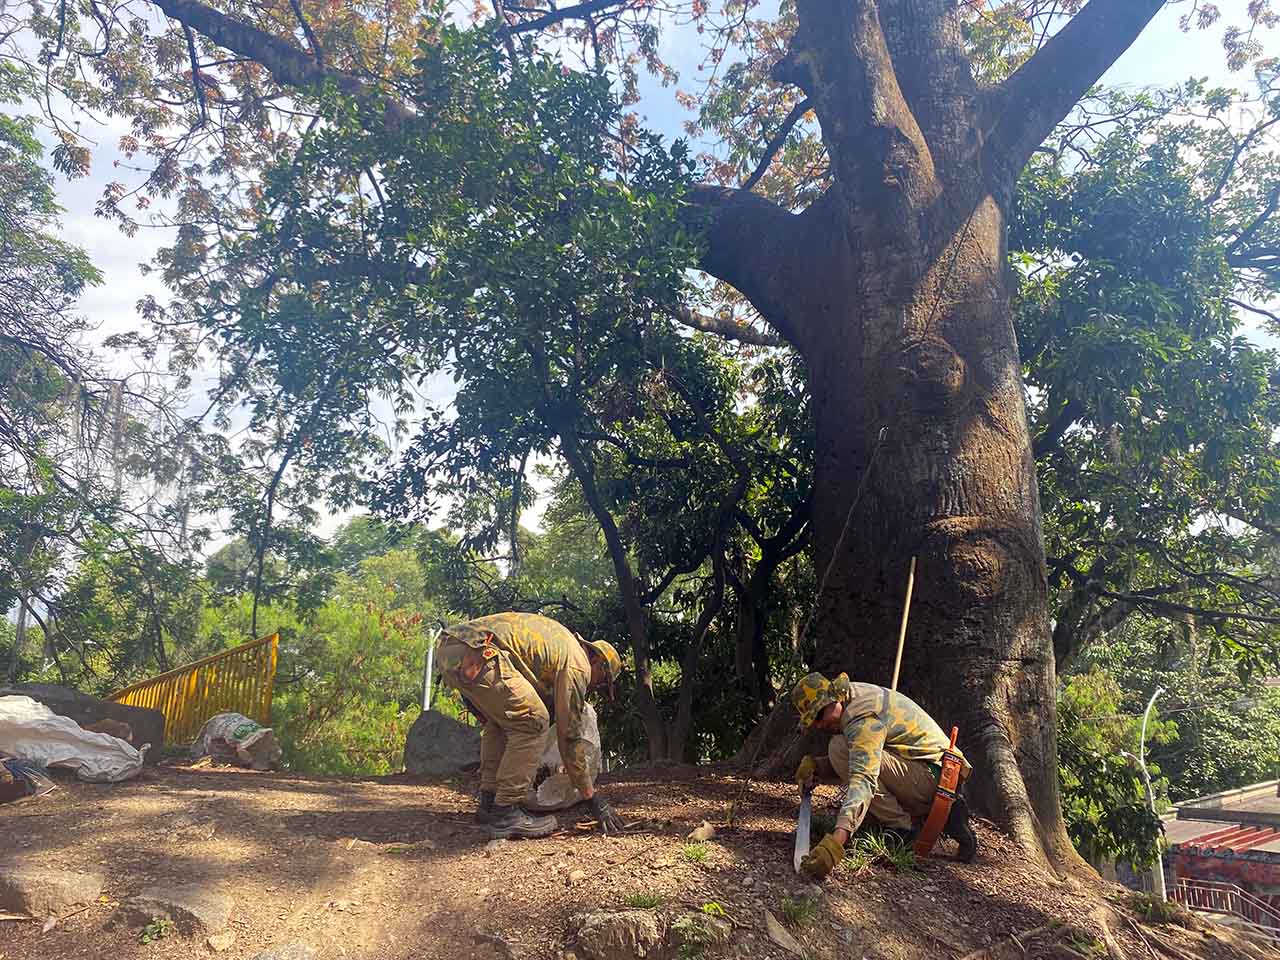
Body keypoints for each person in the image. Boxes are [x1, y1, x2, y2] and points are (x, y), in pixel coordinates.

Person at [436, 612, 625, 839]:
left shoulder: (562, 644)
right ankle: (505, 812)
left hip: (452, 649)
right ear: (597, 662)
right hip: (477, 653)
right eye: (602, 682)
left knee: (503, 723)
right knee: (533, 721)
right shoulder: (579, 664)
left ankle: (489, 803)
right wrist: (591, 797)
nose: (595, 687)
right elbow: (569, 735)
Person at [790, 671, 978, 879]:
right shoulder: (852, 697)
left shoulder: (860, 716)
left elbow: (863, 777)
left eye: (818, 716)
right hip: (932, 773)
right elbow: (862, 756)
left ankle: (902, 830)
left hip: (936, 778)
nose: (819, 725)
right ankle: (944, 814)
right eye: (813, 722)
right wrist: (818, 767)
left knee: (839, 748)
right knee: (841, 749)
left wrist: (836, 843)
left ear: (833, 699)